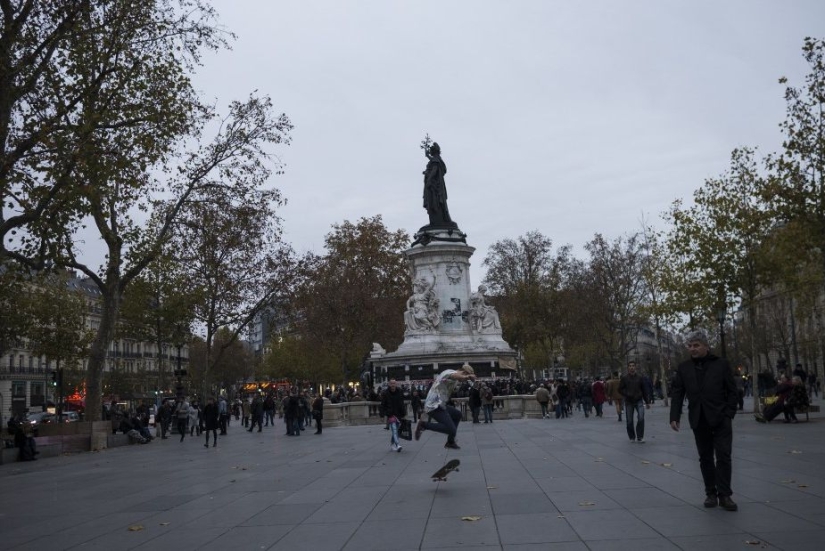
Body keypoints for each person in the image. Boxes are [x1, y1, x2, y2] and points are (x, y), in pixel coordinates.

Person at [670, 330, 739, 512]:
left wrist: (729, 413)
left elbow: (733, 390)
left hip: (721, 417)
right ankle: (710, 493)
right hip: (699, 418)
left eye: (696, 345)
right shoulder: (684, 368)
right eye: (690, 346)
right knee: (705, 458)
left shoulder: (721, 364)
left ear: (706, 346)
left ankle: (725, 495)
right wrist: (674, 416)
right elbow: (677, 392)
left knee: (724, 456)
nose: (692, 349)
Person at [415, 363, 476, 448]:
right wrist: (468, 377)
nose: (464, 381)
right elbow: (456, 376)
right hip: (433, 406)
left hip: (440, 405)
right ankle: (423, 425)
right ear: (464, 372)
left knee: (457, 415)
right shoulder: (448, 373)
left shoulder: (454, 380)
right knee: (451, 429)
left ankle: (450, 442)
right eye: (465, 378)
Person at [422, 141, 453, 227]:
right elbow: (433, 162)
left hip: (434, 186)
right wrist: (427, 155)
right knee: (432, 202)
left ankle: (437, 221)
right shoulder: (437, 159)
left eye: (431, 151)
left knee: (433, 201)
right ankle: (435, 221)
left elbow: (435, 169)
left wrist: (429, 179)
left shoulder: (436, 160)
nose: (430, 153)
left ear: (434, 151)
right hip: (433, 185)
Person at [619, 361, 651, 442]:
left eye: (633, 366)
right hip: (629, 401)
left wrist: (647, 402)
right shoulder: (624, 378)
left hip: (639, 400)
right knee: (629, 420)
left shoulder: (640, 378)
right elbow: (620, 389)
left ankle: (640, 436)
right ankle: (632, 437)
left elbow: (644, 390)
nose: (631, 367)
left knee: (641, 418)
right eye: (630, 366)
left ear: (635, 367)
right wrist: (627, 394)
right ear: (628, 368)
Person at [381, 379, 407, 452]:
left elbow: (402, 403)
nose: (393, 385)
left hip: (398, 414)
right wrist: (382, 414)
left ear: (396, 384)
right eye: (391, 383)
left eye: (394, 383)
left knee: (397, 430)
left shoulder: (399, 391)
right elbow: (383, 404)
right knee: (394, 430)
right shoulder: (385, 393)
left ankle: (392, 443)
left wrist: (404, 413)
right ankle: (397, 445)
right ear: (389, 384)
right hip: (391, 414)